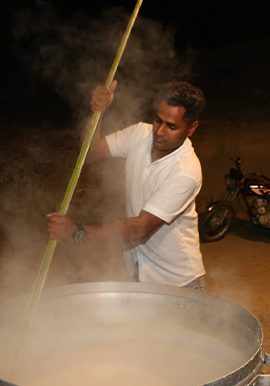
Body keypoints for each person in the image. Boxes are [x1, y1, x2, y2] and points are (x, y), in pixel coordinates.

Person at [47, 80, 207, 290]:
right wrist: (98, 112)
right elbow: (90, 152)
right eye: (158, 120)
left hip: (178, 283)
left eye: (172, 126)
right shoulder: (140, 134)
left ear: (192, 128)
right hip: (137, 275)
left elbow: (141, 227)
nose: (159, 131)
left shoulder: (186, 171)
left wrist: (77, 233)